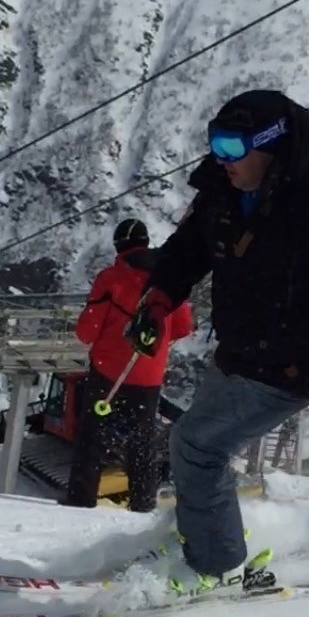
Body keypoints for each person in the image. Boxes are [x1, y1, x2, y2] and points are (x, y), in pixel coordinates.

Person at [126, 89, 309, 596]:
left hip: (298, 363)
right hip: (238, 352)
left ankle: (216, 568)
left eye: (232, 147)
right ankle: (203, 537)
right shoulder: (221, 189)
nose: (221, 159)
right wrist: (156, 303)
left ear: (271, 145)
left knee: (197, 446)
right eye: (214, 144)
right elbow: (185, 253)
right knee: (194, 446)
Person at [65, 218, 193, 511]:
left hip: (108, 371)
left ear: (118, 246)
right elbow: (183, 326)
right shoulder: (168, 278)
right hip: (148, 375)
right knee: (142, 439)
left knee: (92, 435)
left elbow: (87, 331)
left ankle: (81, 499)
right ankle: (143, 502)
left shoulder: (111, 278)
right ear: (146, 242)